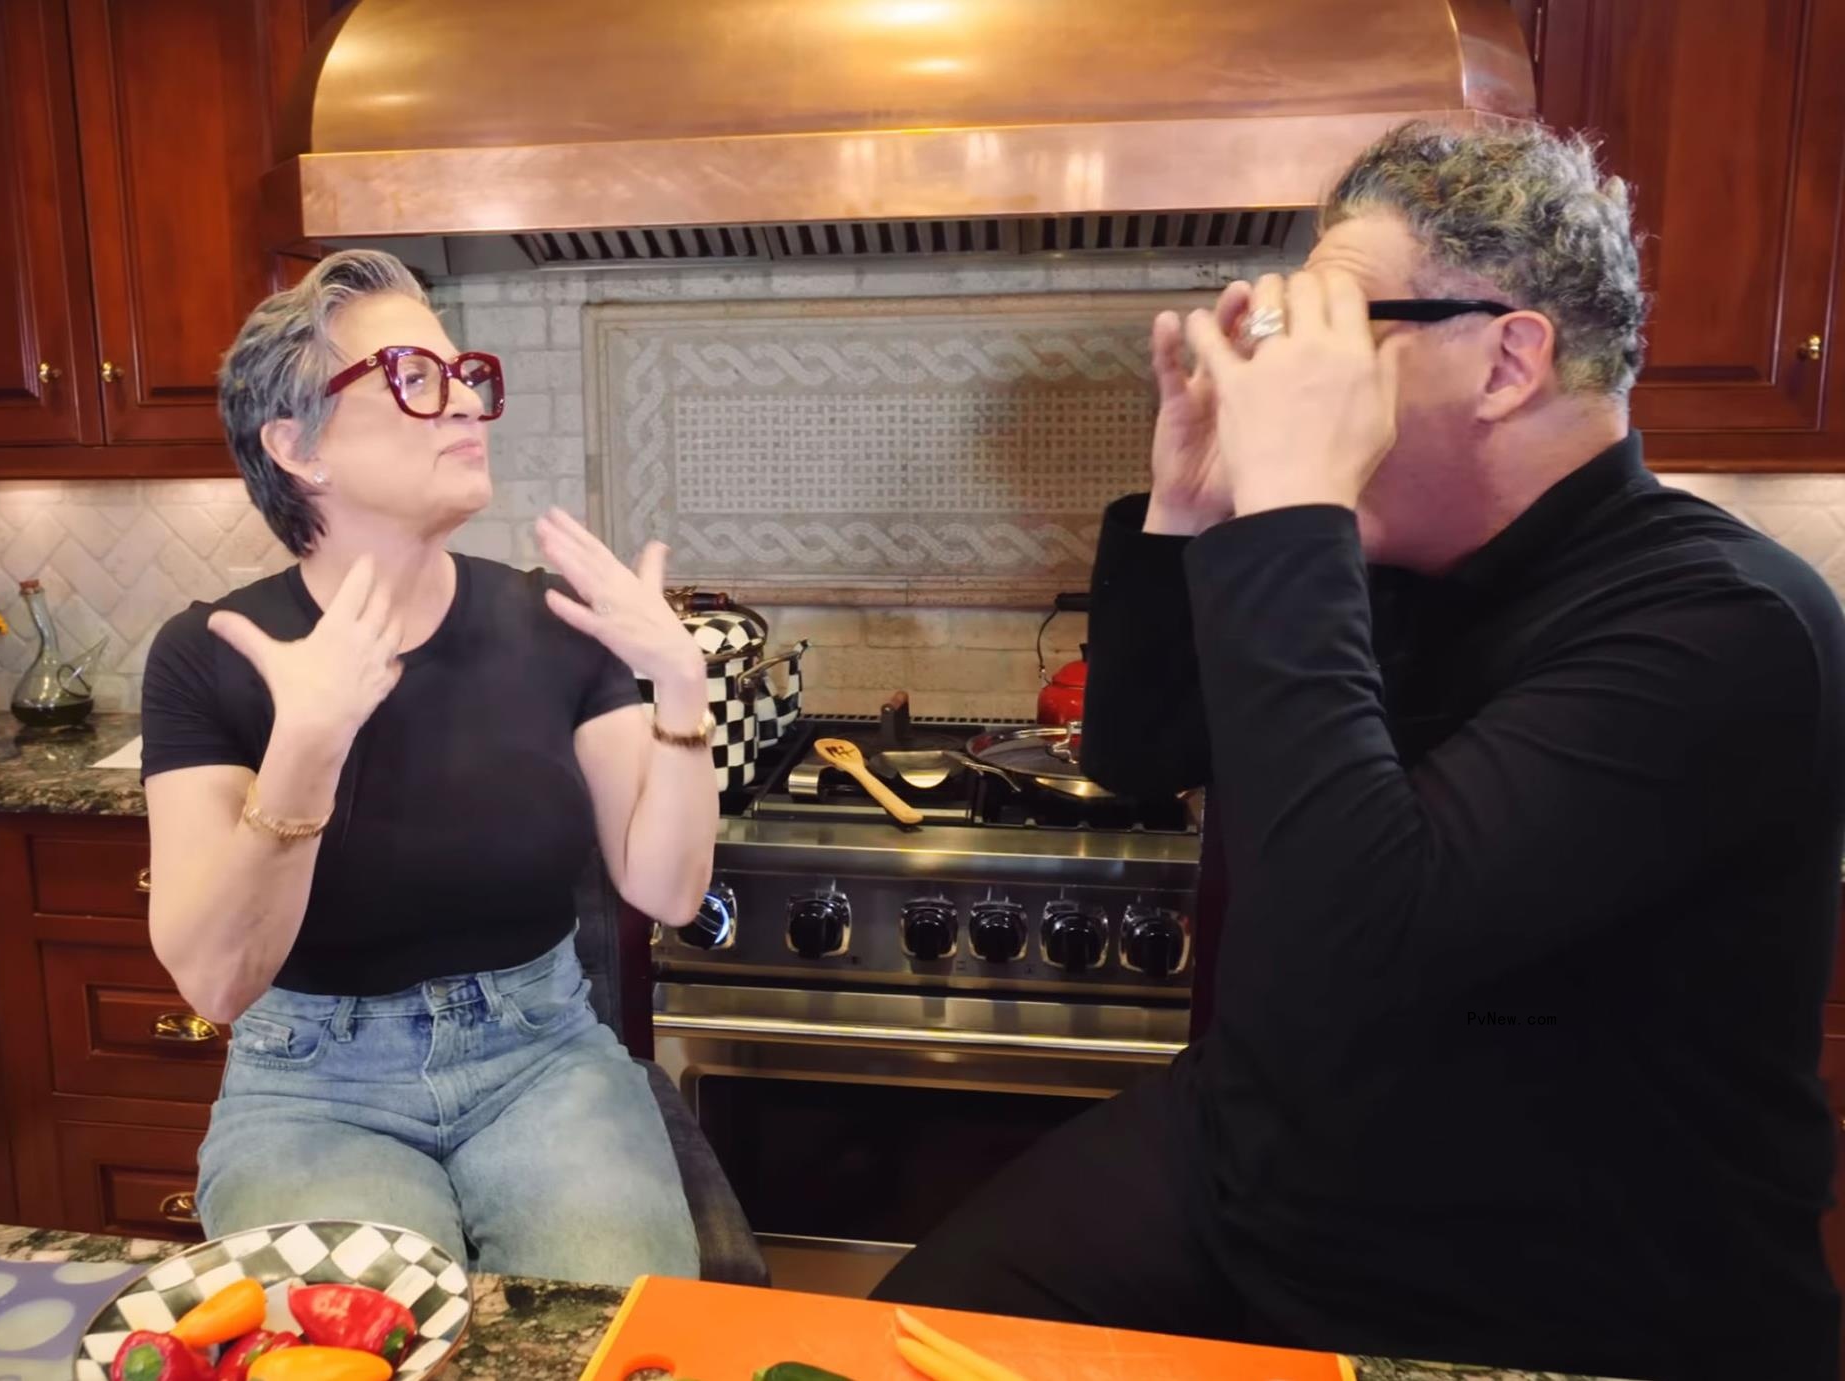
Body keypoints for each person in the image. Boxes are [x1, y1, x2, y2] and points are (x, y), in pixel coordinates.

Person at [874, 122, 1845, 1381]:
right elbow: (1141, 746)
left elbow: (1359, 930)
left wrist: (1295, 512)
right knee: (878, 1354)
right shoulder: (1379, 563)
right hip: (1256, 1164)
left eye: (1333, 330)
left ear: (1508, 358)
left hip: (1547, 1272)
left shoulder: (1722, 624)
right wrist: (1192, 506)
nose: (1283, 374)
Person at [140, 249, 718, 1284]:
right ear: (297, 446)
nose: (465, 404)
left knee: (617, 1344)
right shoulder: (212, 653)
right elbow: (217, 982)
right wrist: (307, 745)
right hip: (308, 1089)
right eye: (413, 376)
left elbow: (666, 887)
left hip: (544, 1062)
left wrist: (679, 681)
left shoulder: (556, 626)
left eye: (465, 375)